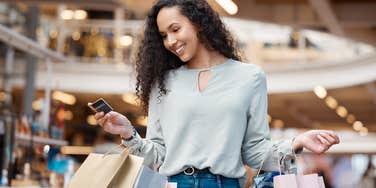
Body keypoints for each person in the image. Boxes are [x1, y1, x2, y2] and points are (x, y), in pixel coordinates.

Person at [89, 0, 340, 187]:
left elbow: (254, 152)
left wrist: (297, 142)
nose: (170, 41)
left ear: (198, 23)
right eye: (164, 35)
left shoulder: (249, 77)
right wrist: (128, 133)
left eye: (176, 29)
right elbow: (158, 155)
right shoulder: (163, 83)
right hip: (175, 184)